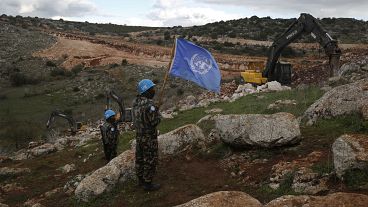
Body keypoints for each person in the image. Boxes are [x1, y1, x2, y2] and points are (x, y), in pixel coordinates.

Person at [132, 79, 161, 191]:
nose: (153, 91)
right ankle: (148, 183)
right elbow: (154, 122)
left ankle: (140, 180)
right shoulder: (150, 105)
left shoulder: (135, 102)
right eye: (152, 89)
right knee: (150, 159)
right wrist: (157, 113)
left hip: (139, 136)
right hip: (149, 137)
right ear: (146, 91)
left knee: (140, 158)